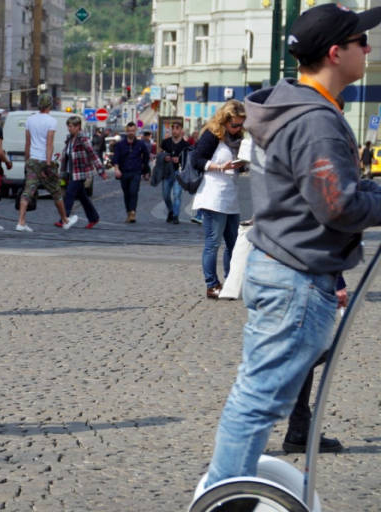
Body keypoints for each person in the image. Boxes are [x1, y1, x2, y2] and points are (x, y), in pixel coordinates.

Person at [203, 3, 381, 488]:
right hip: (294, 276)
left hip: (289, 265)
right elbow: (338, 206)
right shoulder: (315, 121)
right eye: (360, 41)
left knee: (256, 394)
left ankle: (226, 490)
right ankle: (225, 497)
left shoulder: (299, 107)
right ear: (334, 52)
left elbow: (328, 194)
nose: (368, 48)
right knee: (257, 399)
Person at [191, 100, 246, 299]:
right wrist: (221, 167)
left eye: (241, 124)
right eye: (234, 124)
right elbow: (196, 160)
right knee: (213, 242)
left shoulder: (238, 138)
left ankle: (231, 281)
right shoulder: (212, 135)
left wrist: (242, 164)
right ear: (224, 120)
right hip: (213, 195)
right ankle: (212, 285)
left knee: (234, 243)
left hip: (230, 196)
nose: (238, 128)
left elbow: (240, 164)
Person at [16, 93, 78, 232]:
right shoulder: (51, 121)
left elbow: (28, 143)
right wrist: (48, 164)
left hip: (32, 160)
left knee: (28, 191)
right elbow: (49, 144)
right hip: (44, 161)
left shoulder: (30, 120)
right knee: (56, 191)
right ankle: (65, 220)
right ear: (50, 105)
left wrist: (27, 161)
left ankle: (21, 222)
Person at [56, 116, 106, 229]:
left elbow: (93, 154)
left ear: (78, 127)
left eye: (71, 126)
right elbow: (67, 157)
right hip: (71, 172)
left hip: (80, 173)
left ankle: (64, 219)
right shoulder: (69, 139)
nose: (69, 128)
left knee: (69, 194)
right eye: (68, 126)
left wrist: (101, 170)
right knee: (82, 197)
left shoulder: (83, 139)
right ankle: (93, 218)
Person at [112, 122, 150, 223]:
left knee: (134, 191)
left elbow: (146, 156)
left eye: (133, 131)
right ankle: (129, 212)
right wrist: (116, 169)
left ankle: (133, 212)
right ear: (126, 131)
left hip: (136, 172)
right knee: (126, 193)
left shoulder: (140, 144)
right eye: (129, 131)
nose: (131, 133)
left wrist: (145, 169)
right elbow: (115, 158)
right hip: (124, 172)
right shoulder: (120, 144)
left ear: (135, 131)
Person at [159, 121, 190, 224]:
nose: (174, 130)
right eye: (173, 128)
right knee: (166, 195)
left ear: (181, 130)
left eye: (177, 128)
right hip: (167, 172)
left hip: (178, 173)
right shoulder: (165, 142)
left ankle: (176, 215)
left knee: (177, 195)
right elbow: (159, 156)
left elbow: (188, 160)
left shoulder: (185, 145)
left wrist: (179, 160)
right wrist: (165, 157)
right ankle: (171, 211)